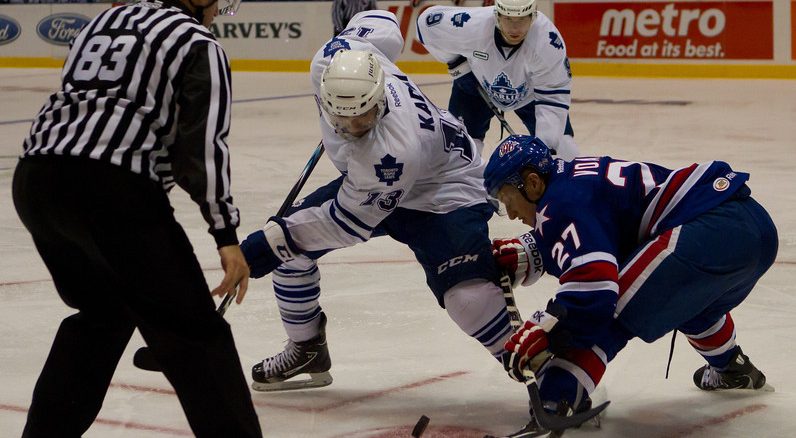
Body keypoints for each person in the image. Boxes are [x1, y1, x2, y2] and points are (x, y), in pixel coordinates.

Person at [12, 1, 262, 436]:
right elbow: (201, 149)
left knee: (102, 316)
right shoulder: (197, 41)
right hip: (110, 190)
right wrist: (225, 233)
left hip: (36, 179)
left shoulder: (104, 22)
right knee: (198, 336)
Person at [240, 10, 516, 392]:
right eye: (345, 118)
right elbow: (384, 25)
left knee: (467, 299)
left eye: (365, 116)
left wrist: (261, 248)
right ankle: (307, 348)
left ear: (380, 95)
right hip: (373, 185)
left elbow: (343, 223)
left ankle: (539, 365)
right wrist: (355, 20)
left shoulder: (390, 153)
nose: (355, 127)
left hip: (445, 190)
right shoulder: (333, 56)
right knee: (290, 252)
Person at [481, 134, 777, 436]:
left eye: (508, 200)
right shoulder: (570, 180)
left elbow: (596, 289)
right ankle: (733, 368)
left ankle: (557, 399)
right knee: (691, 306)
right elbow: (598, 235)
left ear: (532, 184)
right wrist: (532, 250)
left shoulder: (561, 202)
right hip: (754, 228)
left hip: (710, 229)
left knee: (609, 316)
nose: (513, 214)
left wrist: (546, 327)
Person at [416, 0, 578, 161]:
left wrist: (546, 149)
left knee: (564, 150)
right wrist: (458, 65)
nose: (515, 28)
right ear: (497, 16)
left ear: (533, 16)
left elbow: (553, 96)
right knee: (457, 151)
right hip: (475, 87)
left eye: (522, 19)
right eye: (508, 19)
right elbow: (425, 25)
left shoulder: (547, 41)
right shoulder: (471, 24)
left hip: (531, 95)